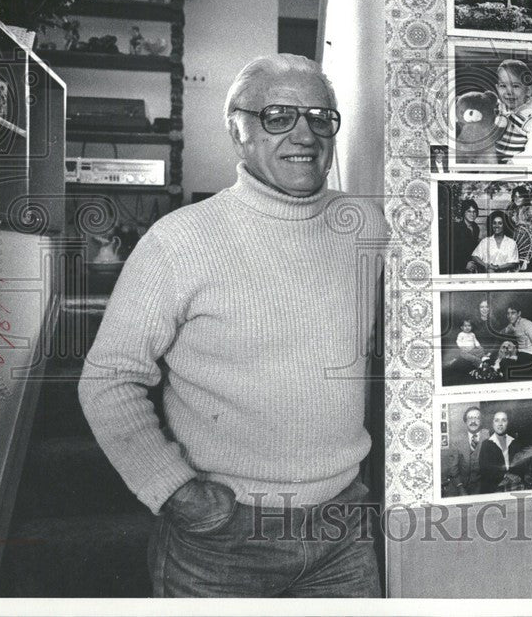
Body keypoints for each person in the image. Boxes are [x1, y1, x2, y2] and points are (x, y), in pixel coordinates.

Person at [78, 54, 386, 597]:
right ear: (236, 130)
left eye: (320, 116)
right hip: (222, 538)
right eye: (277, 117)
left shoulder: (367, 224)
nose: (305, 134)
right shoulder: (179, 241)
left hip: (344, 529)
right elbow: (108, 380)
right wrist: (174, 491)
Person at [493, 59, 532, 165]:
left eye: (515, 86)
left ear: (528, 90)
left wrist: (515, 163)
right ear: (497, 88)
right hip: (496, 161)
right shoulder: (499, 108)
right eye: (503, 86)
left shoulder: (531, 118)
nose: (509, 92)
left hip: (516, 167)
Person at [443, 407, 490, 497]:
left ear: (481, 421)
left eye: (476, 418)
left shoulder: (488, 435)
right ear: (465, 421)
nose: (473, 421)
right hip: (459, 484)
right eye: (470, 418)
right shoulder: (457, 440)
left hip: (480, 486)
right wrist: (460, 488)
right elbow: (453, 469)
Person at [478, 411, 524, 494]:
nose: (500, 424)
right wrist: (505, 475)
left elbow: (521, 466)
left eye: (504, 420)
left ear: (508, 423)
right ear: (493, 424)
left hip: (513, 486)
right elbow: (485, 469)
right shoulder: (486, 444)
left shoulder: (515, 443)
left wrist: (517, 476)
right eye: (497, 420)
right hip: (494, 487)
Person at [500, 305, 532, 376]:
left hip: (529, 356)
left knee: (506, 364)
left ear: (519, 313)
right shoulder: (511, 325)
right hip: (519, 354)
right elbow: (504, 331)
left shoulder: (526, 324)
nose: (510, 316)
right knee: (503, 361)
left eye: (513, 313)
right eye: (508, 313)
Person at [506, 185, 532, 271]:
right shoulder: (515, 211)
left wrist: (525, 223)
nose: (517, 199)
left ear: (525, 198)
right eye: (515, 196)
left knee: (525, 263)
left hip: (529, 241)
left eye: (520, 197)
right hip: (518, 240)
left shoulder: (529, 209)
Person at [449, 199, 480, 274]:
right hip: (458, 267)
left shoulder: (476, 228)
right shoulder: (456, 228)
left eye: (474, 211)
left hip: (472, 265)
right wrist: (464, 264)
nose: (472, 214)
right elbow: (451, 252)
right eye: (469, 211)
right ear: (463, 212)